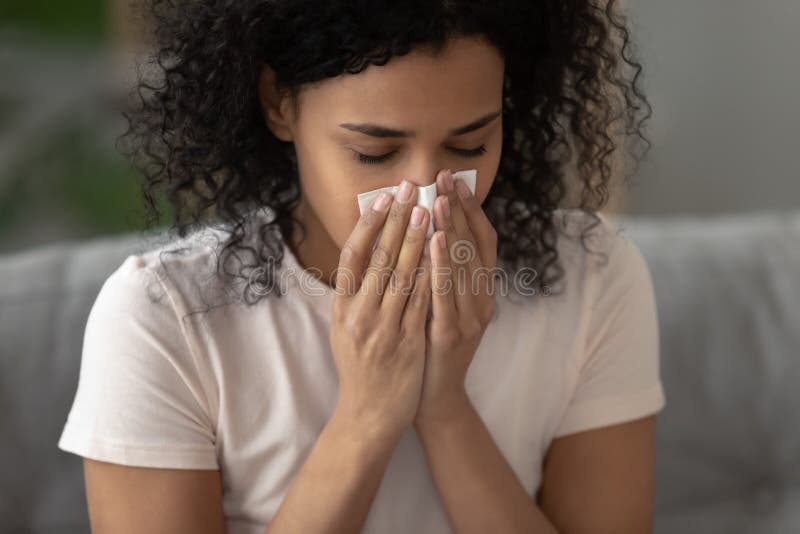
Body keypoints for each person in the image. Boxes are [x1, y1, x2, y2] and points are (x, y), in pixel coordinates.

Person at [57, 0, 666, 532]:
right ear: (278, 104)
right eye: (374, 152)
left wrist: (445, 408)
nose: (427, 192)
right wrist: (368, 416)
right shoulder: (165, 317)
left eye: (470, 145)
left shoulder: (592, 275)